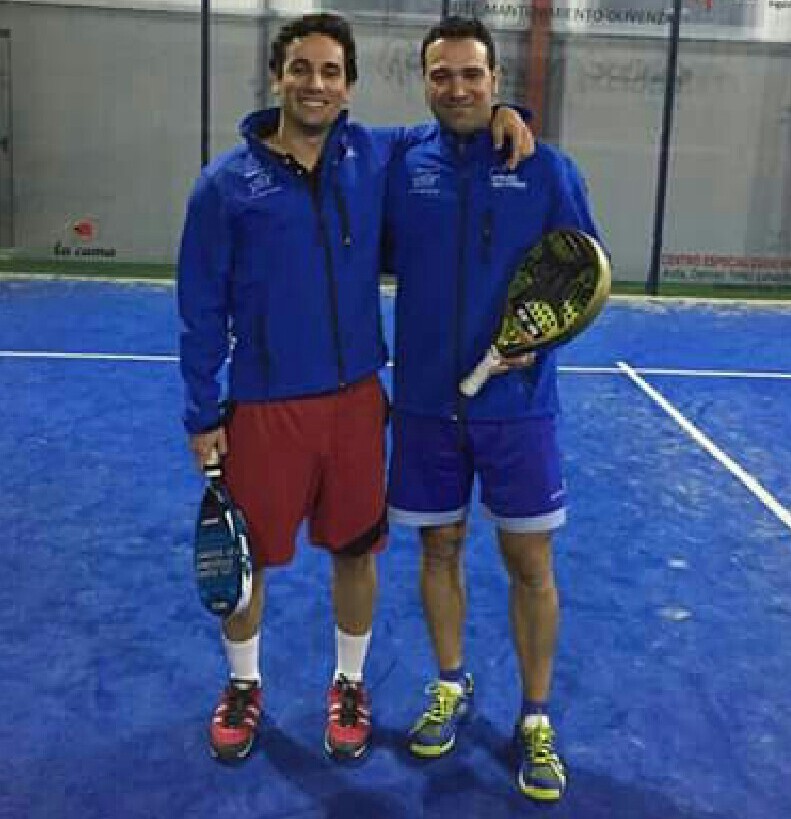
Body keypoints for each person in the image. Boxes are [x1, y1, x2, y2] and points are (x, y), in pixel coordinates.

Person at [177, 12, 533, 764]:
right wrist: (202, 412)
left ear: (349, 86)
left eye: (331, 71)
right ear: (277, 77)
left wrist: (507, 111)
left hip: (357, 404)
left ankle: (349, 683)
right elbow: (200, 308)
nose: (315, 83)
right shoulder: (223, 187)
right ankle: (243, 685)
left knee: (355, 550)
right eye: (301, 68)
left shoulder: (374, 153)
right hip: (265, 406)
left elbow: (454, 119)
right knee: (249, 560)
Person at [384, 16, 604, 801]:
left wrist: (538, 346)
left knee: (529, 563)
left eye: (471, 74)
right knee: (438, 547)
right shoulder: (400, 163)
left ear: (495, 78)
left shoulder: (545, 169)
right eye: (441, 74)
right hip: (424, 404)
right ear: (424, 81)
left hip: (517, 408)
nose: (457, 88)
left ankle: (534, 716)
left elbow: (584, 272)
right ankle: (450, 680)